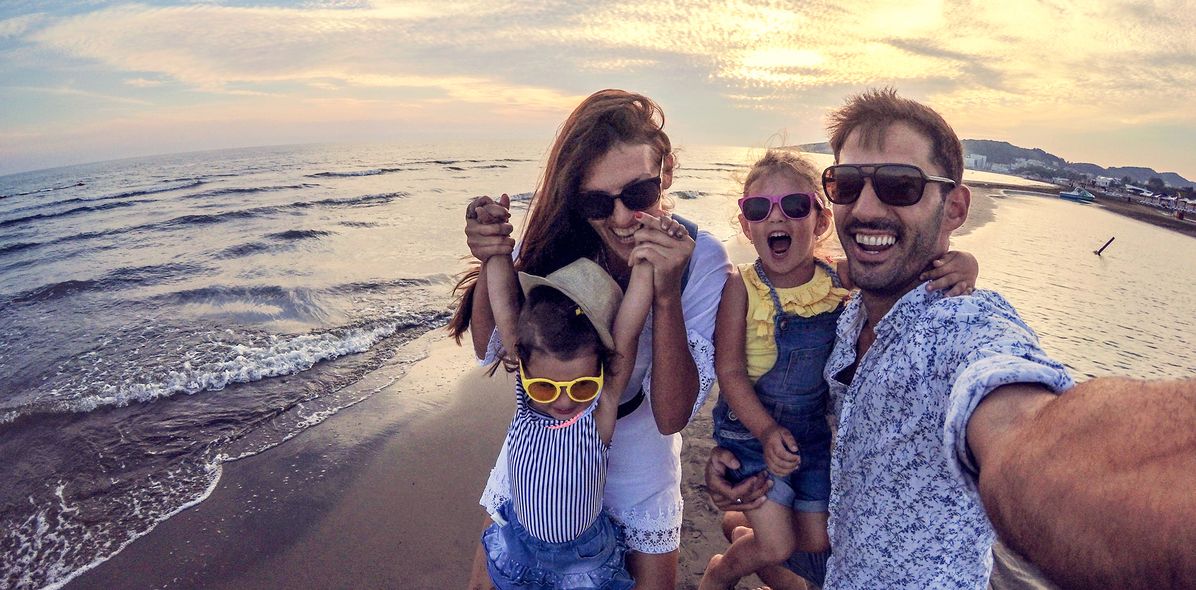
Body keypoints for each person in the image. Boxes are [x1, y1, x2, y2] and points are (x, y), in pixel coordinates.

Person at [705, 88, 1196, 589]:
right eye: (848, 184)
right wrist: (740, 449)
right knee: (785, 545)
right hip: (840, 556)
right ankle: (742, 526)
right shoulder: (849, 310)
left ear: (956, 208)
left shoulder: (962, 328)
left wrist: (1098, 480)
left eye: (901, 185)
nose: (867, 207)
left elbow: (1022, 419)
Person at [450, 89, 732, 589]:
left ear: (666, 171)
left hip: (639, 448)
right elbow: (492, 345)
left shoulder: (703, 259)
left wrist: (665, 291)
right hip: (541, 458)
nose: (622, 218)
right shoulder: (564, 241)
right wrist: (491, 254)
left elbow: (671, 416)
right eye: (598, 201)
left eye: (640, 194)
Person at [700, 150, 977, 590]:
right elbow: (729, 373)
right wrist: (767, 431)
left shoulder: (836, 277)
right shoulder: (741, 286)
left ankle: (740, 524)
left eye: (794, 206)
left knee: (811, 538)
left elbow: (908, 272)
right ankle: (723, 570)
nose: (777, 218)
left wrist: (966, 264)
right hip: (752, 432)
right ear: (747, 225)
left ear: (821, 220)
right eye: (759, 209)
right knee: (775, 546)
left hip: (810, 433)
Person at [478, 228, 660, 588]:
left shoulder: (599, 410)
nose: (563, 401)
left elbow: (628, 331)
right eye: (546, 387)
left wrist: (644, 264)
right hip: (521, 546)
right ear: (525, 369)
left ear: (601, 373)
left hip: (583, 561)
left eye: (581, 387)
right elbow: (503, 304)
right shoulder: (526, 400)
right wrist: (497, 251)